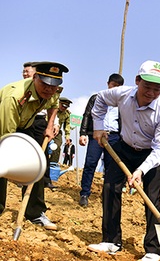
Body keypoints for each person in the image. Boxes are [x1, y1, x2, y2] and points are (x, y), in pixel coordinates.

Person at [87, 61, 160, 261]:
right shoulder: (122, 94)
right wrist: (97, 127)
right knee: (110, 188)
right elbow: (99, 100)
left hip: (150, 156)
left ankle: (153, 249)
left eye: (157, 88)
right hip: (124, 148)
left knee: (152, 198)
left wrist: (140, 171)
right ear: (137, 81)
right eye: (147, 86)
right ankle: (111, 240)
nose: (151, 92)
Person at [0, 61, 68, 230]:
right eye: (45, 84)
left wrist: (50, 125)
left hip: (26, 123)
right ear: (35, 77)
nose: (49, 89)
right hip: (4, 126)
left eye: (54, 86)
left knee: (37, 162)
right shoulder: (14, 97)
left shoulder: (52, 90)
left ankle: (35, 212)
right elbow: (7, 137)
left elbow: (53, 104)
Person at [78, 73, 125, 207]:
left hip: (114, 137)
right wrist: (83, 133)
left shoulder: (122, 103)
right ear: (108, 84)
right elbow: (87, 115)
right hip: (97, 136)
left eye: (118, 86)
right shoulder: (96, 98)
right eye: (113, 85)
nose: (115, 88)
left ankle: (107, 195)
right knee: (90, 163)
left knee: (111, 168)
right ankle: (85, 193)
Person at [50, 97, 72, 164]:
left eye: (67, 106)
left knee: (57, 147)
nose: (64, 108)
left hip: (57, 132)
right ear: (59, 103)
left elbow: (67, 125)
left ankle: (53, 164)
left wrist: (67, 136)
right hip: (47, 128)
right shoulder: (52, 108)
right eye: (63, 105)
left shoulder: (67, 114)